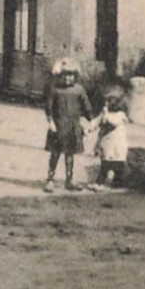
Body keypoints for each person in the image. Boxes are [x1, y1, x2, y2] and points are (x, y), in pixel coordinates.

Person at [44, 59, 93, 192]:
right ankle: (50, 180)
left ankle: (69, 180)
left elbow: (87, 107)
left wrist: (90, 122)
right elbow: (48, 108)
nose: (68, 78)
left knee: (70, 155)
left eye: (71, 75)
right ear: (61, 75)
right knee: (55, 154)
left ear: (75, 77)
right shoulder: (55, 89)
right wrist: (51, 123)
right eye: (65, 75)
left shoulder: (79, 90)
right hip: (58, 125)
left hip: (72, 126)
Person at [89, 84, 129, 191]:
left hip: (117, 144)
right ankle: (100, 182)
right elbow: (96, 122)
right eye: (105, 101)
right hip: (107, 144)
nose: (105, 104)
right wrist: (88, 128)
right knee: (105, 164)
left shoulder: (121, 115)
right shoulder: (105, 113)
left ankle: (117, 182)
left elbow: (113, 122)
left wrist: (106, 114)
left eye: (108, 101)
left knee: (118, 164)